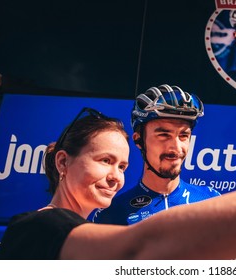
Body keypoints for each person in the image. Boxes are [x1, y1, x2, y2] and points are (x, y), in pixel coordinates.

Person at [0, 107, 236, 259]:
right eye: (104, 161)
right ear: (63, 162)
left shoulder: (83, 230)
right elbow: (145, 247)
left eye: (122, 165)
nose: (116, 176)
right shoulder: (35, 228)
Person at [93, 84, 221, 225]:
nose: (176, 147)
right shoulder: (112, 213)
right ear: (138, 140)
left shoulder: (211, 200)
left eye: (184, 135)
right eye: (164, 135)